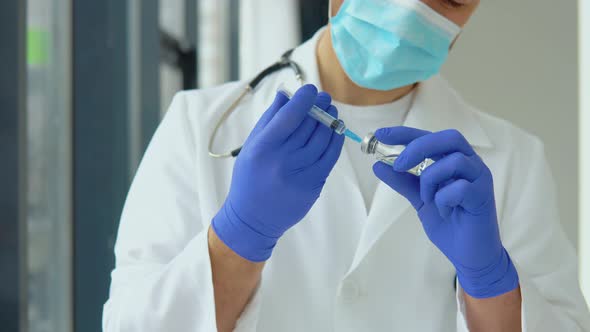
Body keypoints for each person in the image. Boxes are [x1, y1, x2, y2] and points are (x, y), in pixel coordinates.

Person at [103, 0, 590, 331]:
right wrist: (237, 238)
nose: (410, 10)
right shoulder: (198, 124)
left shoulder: (512, 160)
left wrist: (491, 282)